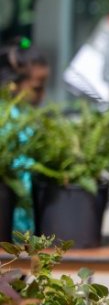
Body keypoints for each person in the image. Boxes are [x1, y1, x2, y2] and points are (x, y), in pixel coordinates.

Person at [0, 44, 49, 233]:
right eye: (37, 88)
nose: (42, 95)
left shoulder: (24, 117)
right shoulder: (6, 120)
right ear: (13, 84)